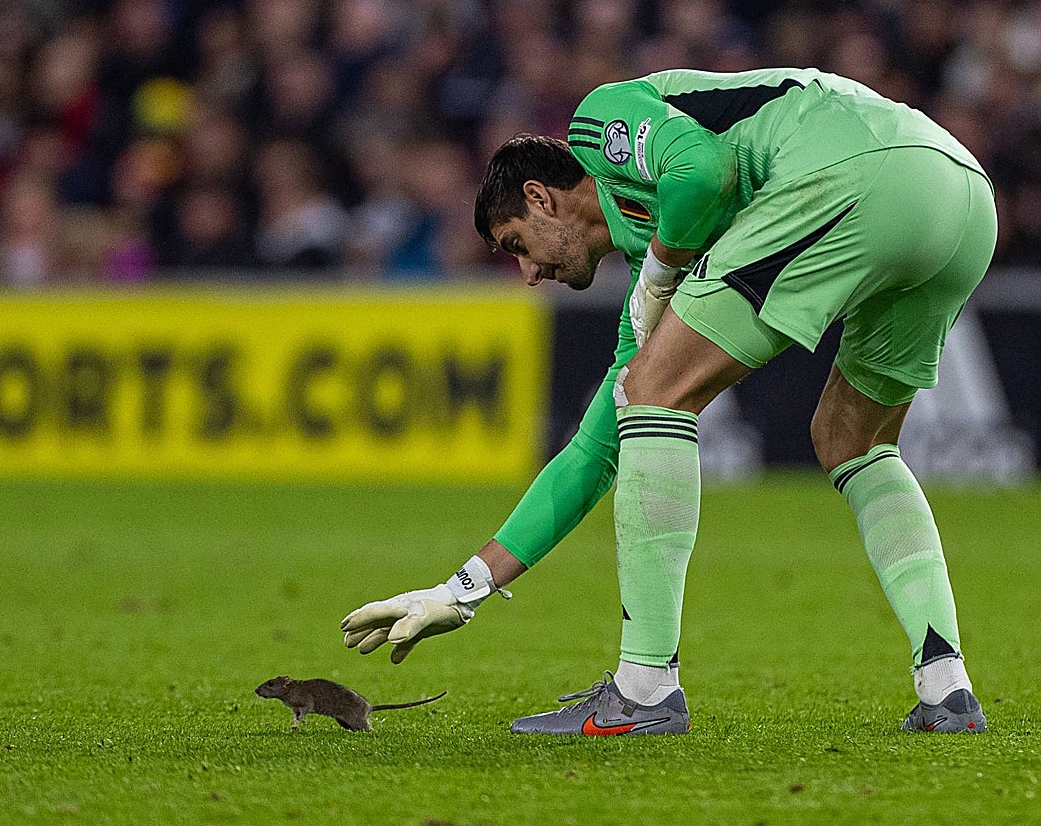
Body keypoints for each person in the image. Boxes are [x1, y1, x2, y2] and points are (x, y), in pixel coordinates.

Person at [341, 68, 997, 736]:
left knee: (655, 393)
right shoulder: (655, 260)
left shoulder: (599, 125)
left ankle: (645, 688)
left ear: (540, 197)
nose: (528, 272)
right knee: (852, 440)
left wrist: (657, 273)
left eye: (517, 245)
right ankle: (946, 684)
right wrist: (463, 588)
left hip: (858, 171)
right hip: (962, 195)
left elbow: (701, 172)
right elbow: (595, 453)